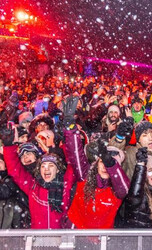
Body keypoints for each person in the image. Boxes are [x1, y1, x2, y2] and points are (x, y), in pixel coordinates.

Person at [62, 96, 130, 228]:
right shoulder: (86, 177)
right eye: (102, 162)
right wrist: (70, 127)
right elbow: (76, 154)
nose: (105, 167)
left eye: (109, 164)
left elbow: (124, 188)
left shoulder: (117, 191)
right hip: (76, 233)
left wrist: (110, 163)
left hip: (101, 239)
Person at [1, 124, 75, 229]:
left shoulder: (65, 184)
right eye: (43, 166)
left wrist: (67, 141)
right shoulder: (33, 186)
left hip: (62, 238)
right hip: (39, 239)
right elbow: (15, 171)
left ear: (58, 169)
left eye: (51, 166)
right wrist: (8, 146)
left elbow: (72, 163)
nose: (46, 169)